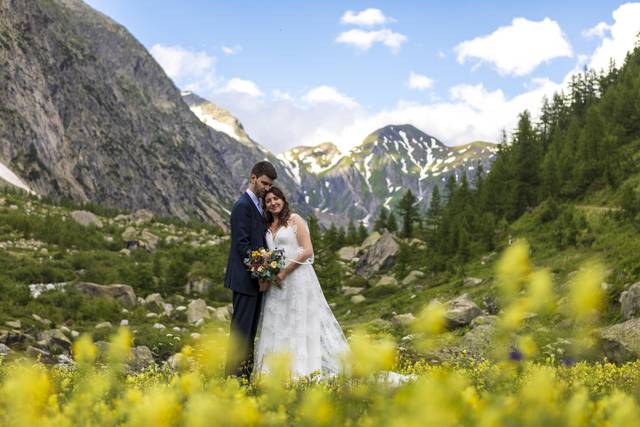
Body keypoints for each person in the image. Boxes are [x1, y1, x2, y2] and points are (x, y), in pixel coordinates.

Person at [254, 186, 348, 379]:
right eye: (269, 201)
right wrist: (267, 273)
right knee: (278, 324)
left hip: (297, 279)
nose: (273, 203)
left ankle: (301, 371)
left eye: (276, 199)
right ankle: (274, 373)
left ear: (283, 199)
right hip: (277, 286)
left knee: (298, 323)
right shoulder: (268, 226)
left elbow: (307, 251)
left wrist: (284, 271)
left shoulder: (294, 220)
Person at [224, 161, 277, 379]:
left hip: (254, 281)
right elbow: (242, 245)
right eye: (264, 183)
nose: (267, 188)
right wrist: (262, 273)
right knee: (240, 333)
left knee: (250, 333)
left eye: (269, 184)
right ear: (253, 177)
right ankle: (232, 379)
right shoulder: (242, 206)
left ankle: (244, 377)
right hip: (245, 281)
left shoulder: (257, 205)